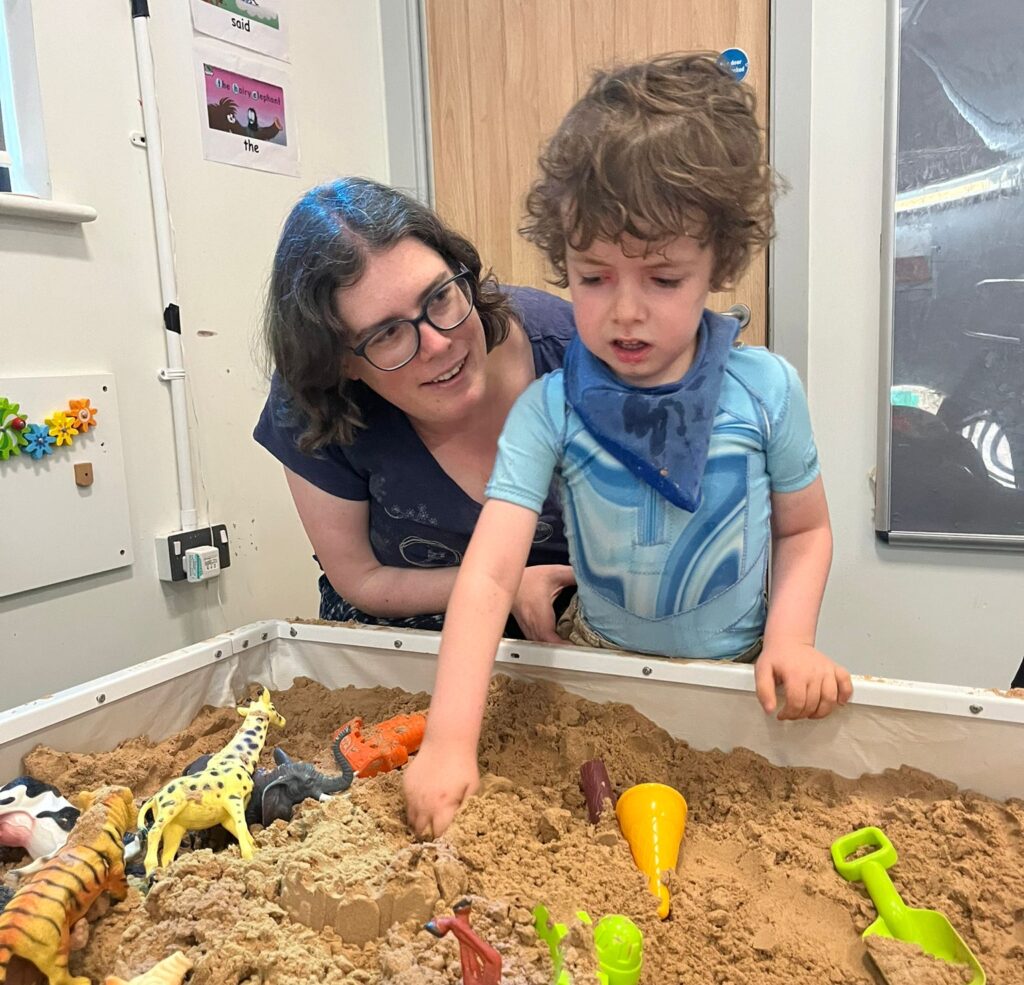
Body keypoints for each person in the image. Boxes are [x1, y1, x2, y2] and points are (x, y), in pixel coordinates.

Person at [404, 53, 853, 838]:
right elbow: (488, 572)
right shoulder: (553, 407)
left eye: (664, 279)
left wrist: (790, 640)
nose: (626, 313)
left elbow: (805, 530)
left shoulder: (765, 390)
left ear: (722, 262)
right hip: (600, 670)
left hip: (732, 677)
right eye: (594, 277)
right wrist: (448, 741)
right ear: (564, 264)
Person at [254, 178, 577, 641]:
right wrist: (501, 587)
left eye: (440, 296)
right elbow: (361, 579)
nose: (439, 343)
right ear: (342, 363)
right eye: (387, 333)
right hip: (408, 629)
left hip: (569, 624)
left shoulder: (573, 355)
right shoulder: (311, 403)